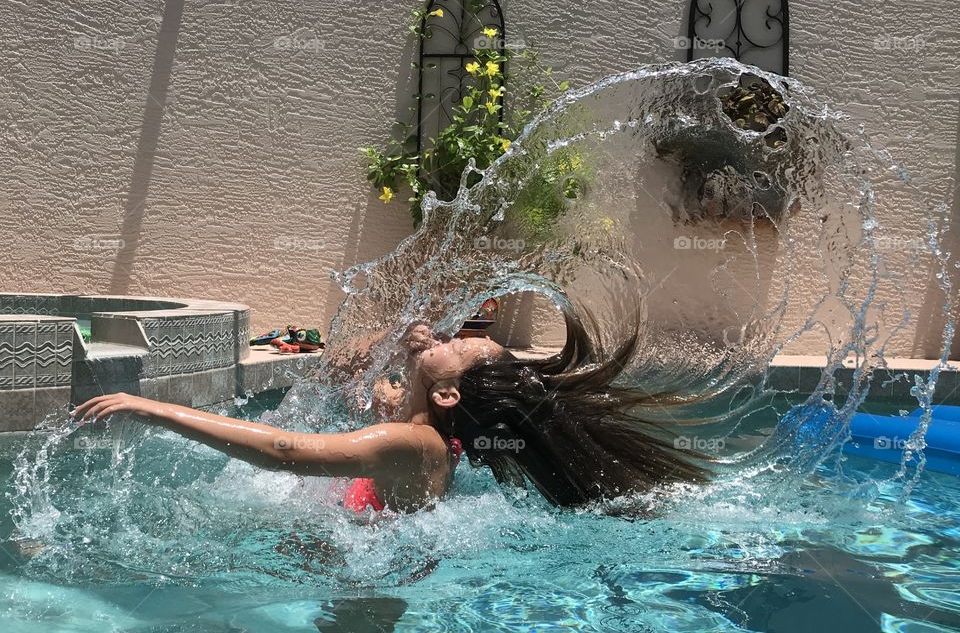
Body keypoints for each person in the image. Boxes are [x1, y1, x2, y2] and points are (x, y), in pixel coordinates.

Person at [73, 309, 711, 514]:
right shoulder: (420, 424)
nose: (459, 334)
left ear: (448, 396)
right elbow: (352, 384)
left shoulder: (416, 447)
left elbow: (283, 450)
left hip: (368, 594)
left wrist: (151, 407)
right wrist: (408, 361)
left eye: (462, 347)